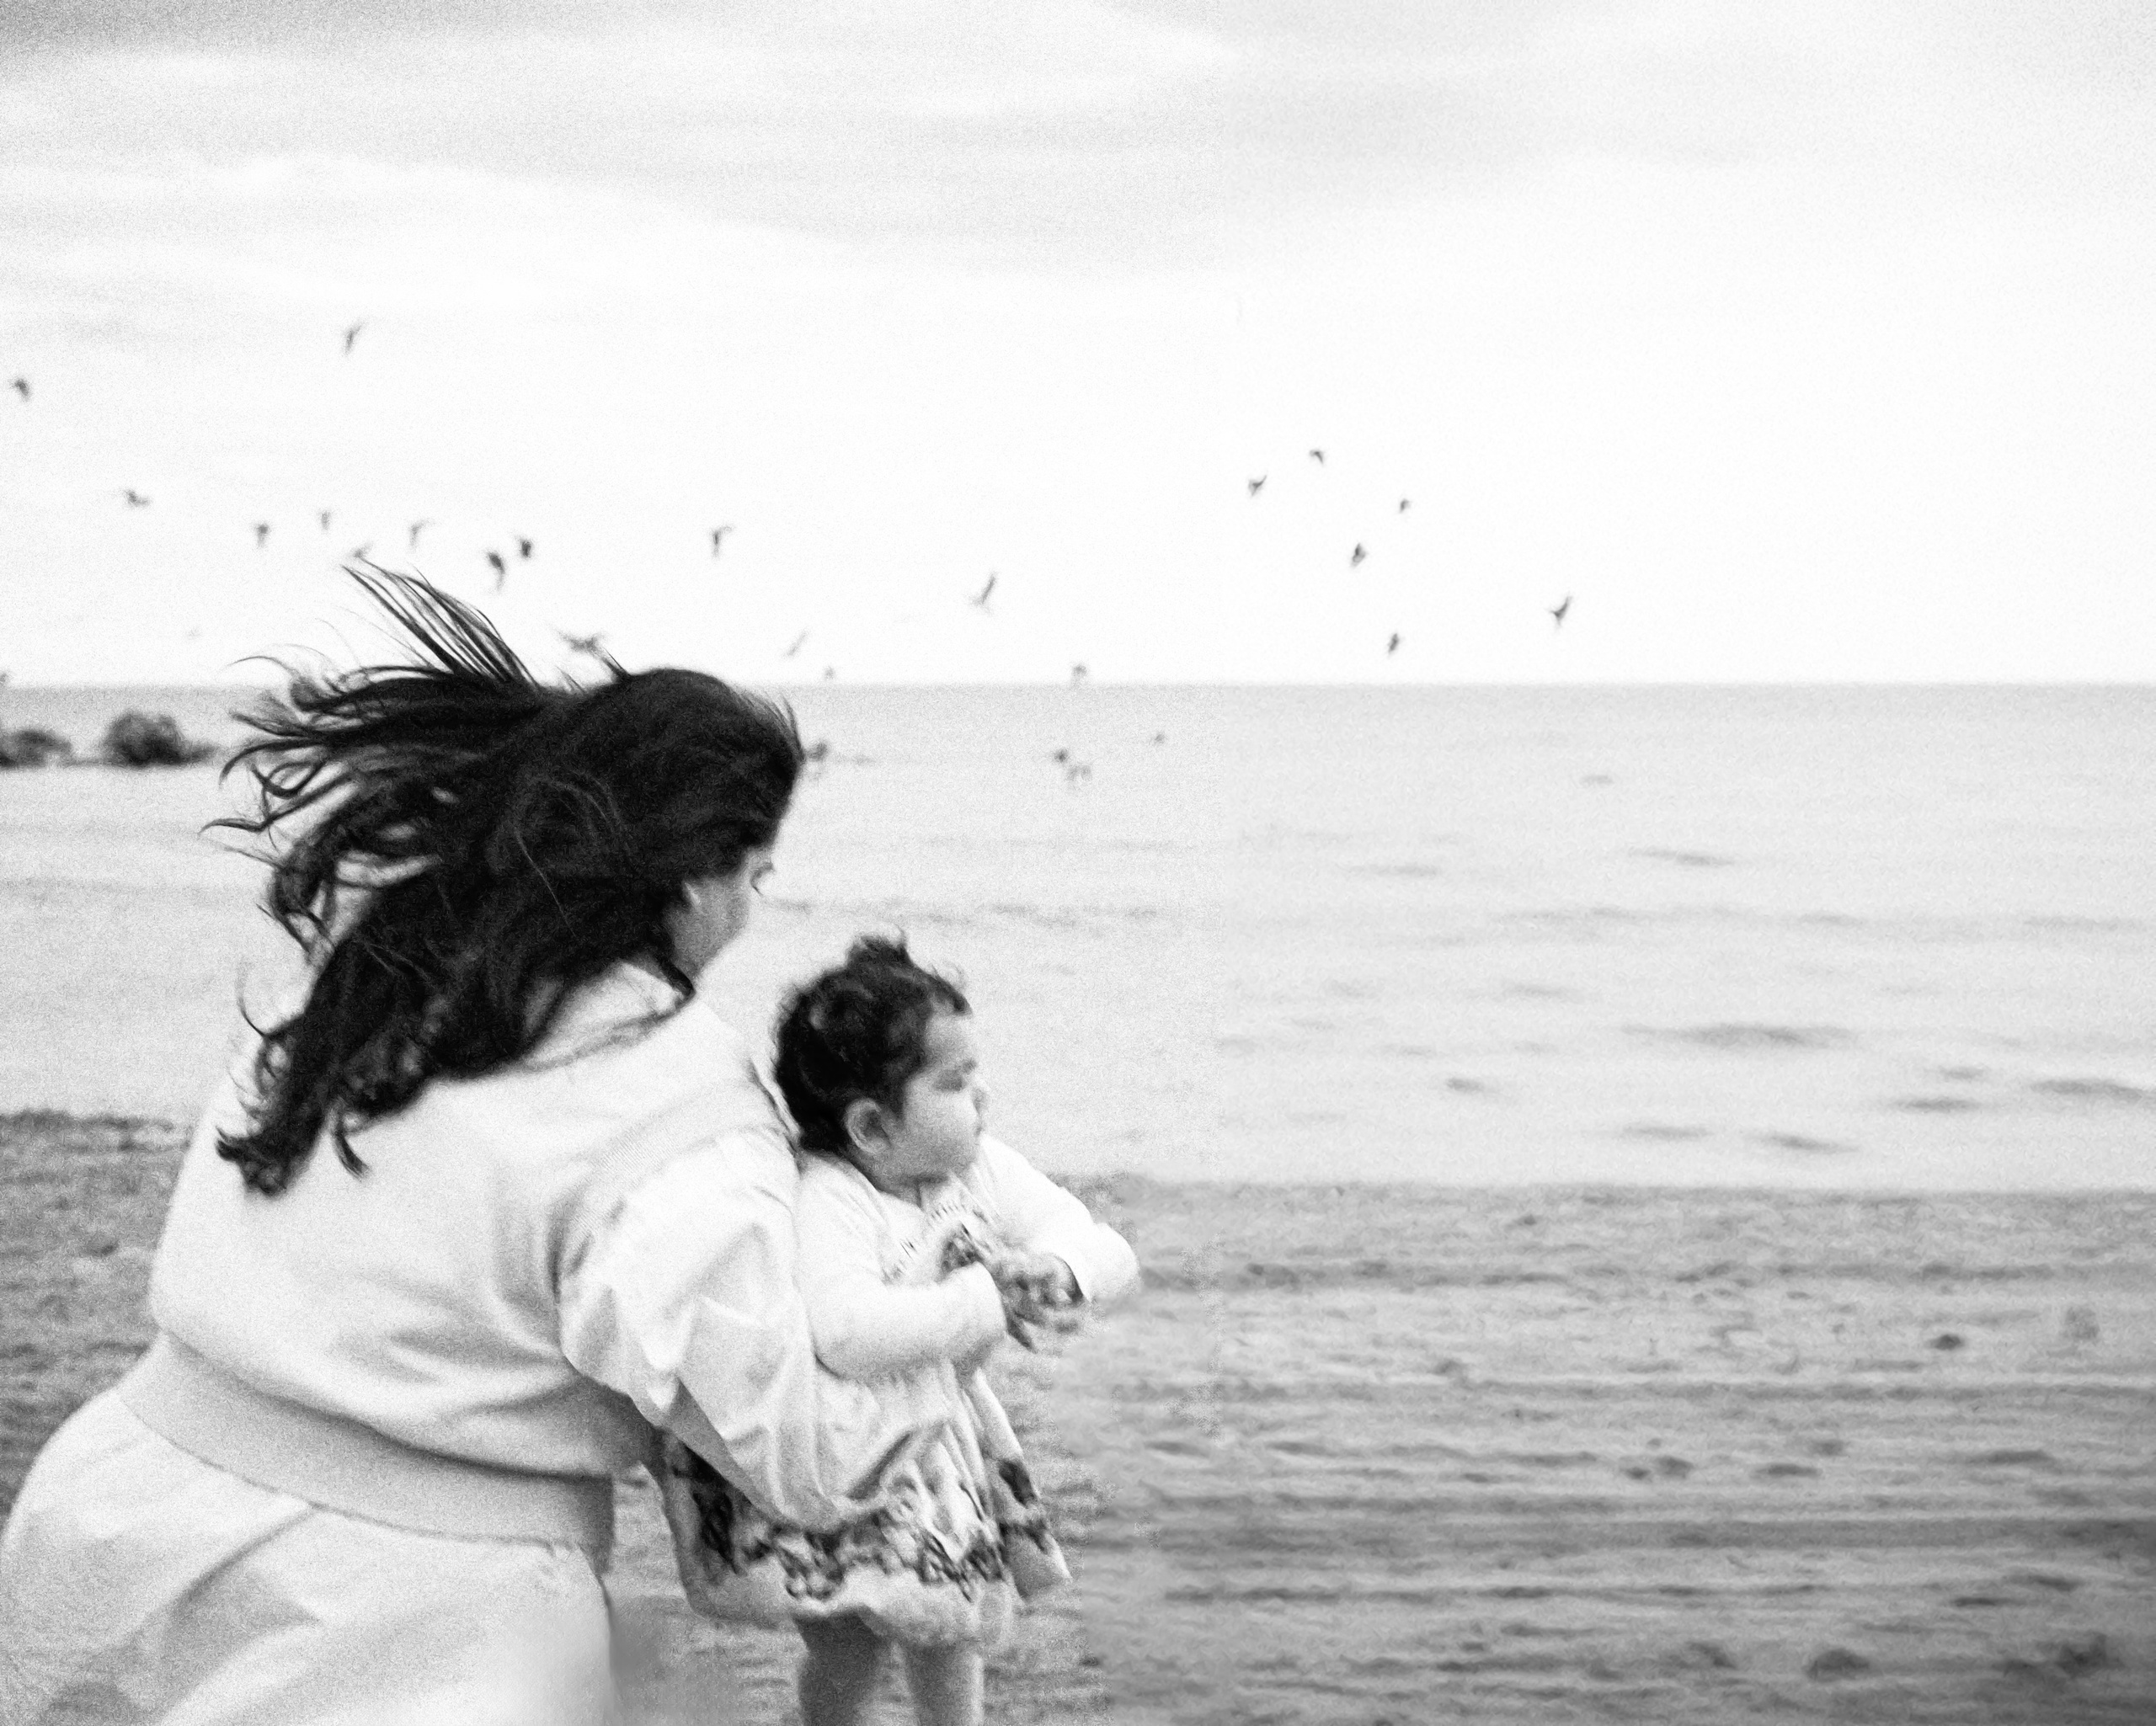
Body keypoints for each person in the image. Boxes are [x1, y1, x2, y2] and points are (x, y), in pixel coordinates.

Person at [0, 575, 976, 1723]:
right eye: (755, 875)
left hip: (119, 1524)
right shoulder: (677, 1094)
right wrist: (964, 1318)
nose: (749, 909)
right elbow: (800, 1454)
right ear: (693, 876)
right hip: (403, 1616)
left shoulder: (383, 971)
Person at [657, 935, 1139, 1726]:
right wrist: (987, 1300)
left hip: (944, 1450)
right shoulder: (834, 1198)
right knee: (850, 1640)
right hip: (859, 1454)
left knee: (951, 1626)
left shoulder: (981, 1169)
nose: (982, 1099)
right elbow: (845, 1331)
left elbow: (1100, 1242)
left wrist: (1058, 1269)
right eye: (955, 1083)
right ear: (874, 1127)